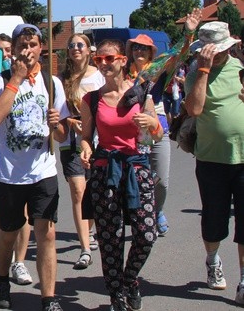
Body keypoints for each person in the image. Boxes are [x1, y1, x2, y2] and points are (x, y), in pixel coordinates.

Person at [0, 24, 69, 311]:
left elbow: (62, 136)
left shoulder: (52, 82)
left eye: (32, 44)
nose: (27, 50)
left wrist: (57, 125)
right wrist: (17, 79)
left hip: (43, 171)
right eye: (22, 44)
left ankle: (49, 297)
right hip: (9, 173)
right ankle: (2, 280)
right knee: (9, 232)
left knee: (46, 233)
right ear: (14, 49)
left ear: (40, 49)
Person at [80, 38, 164, 311]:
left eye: (109, 59)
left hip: (137, 170)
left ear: (122, 60)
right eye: (99, 60)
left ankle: (130, 280)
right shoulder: (91, 99)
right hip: (106, 172)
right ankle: (116, 295)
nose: (104, 64)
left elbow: (158, 134)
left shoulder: (141, 94)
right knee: (110, 238)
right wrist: (85, 149)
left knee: (146, 234)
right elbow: (85, 136)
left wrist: (151, 122)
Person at [184, 21, 244, 305]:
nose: (215, 55)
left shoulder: (240, 68)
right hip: (211, 159)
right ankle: (212, 259)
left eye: (219, 51)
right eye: (210, 51)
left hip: (243, 157)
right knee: (213, 220)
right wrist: (205, 70)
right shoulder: (196, 71)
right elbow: (194, 108)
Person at [0, 32, 34, 286]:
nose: (8, 55)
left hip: (27, 163)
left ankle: (20, 261)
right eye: (2, 51)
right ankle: (6, 257)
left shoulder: (37, 80)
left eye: (10, 49)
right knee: (5, 220)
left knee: (26, 216)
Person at [58, 33, 104, 270]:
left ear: (88, 50)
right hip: (70, 142)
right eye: (72, 45)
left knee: (93, 191)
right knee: (78, 190)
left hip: (97, 142)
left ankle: (91, 230)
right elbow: (55, 109)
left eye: (80, 45)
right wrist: (68, 121)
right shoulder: (62, 79)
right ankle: (85, 248)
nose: (75, 48)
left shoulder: (98, 77)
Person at [125, 33, 173, 237]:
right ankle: (144, 217)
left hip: (158, 128)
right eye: (136, 47)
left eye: (144, 48)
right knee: (138, 179)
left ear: (151, 52)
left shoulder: (159, 71)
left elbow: (178, 56)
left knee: (161, 180)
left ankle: (157, 208)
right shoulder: (125, 73)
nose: (139, 51)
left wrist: (188, 35)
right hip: (134, 130)